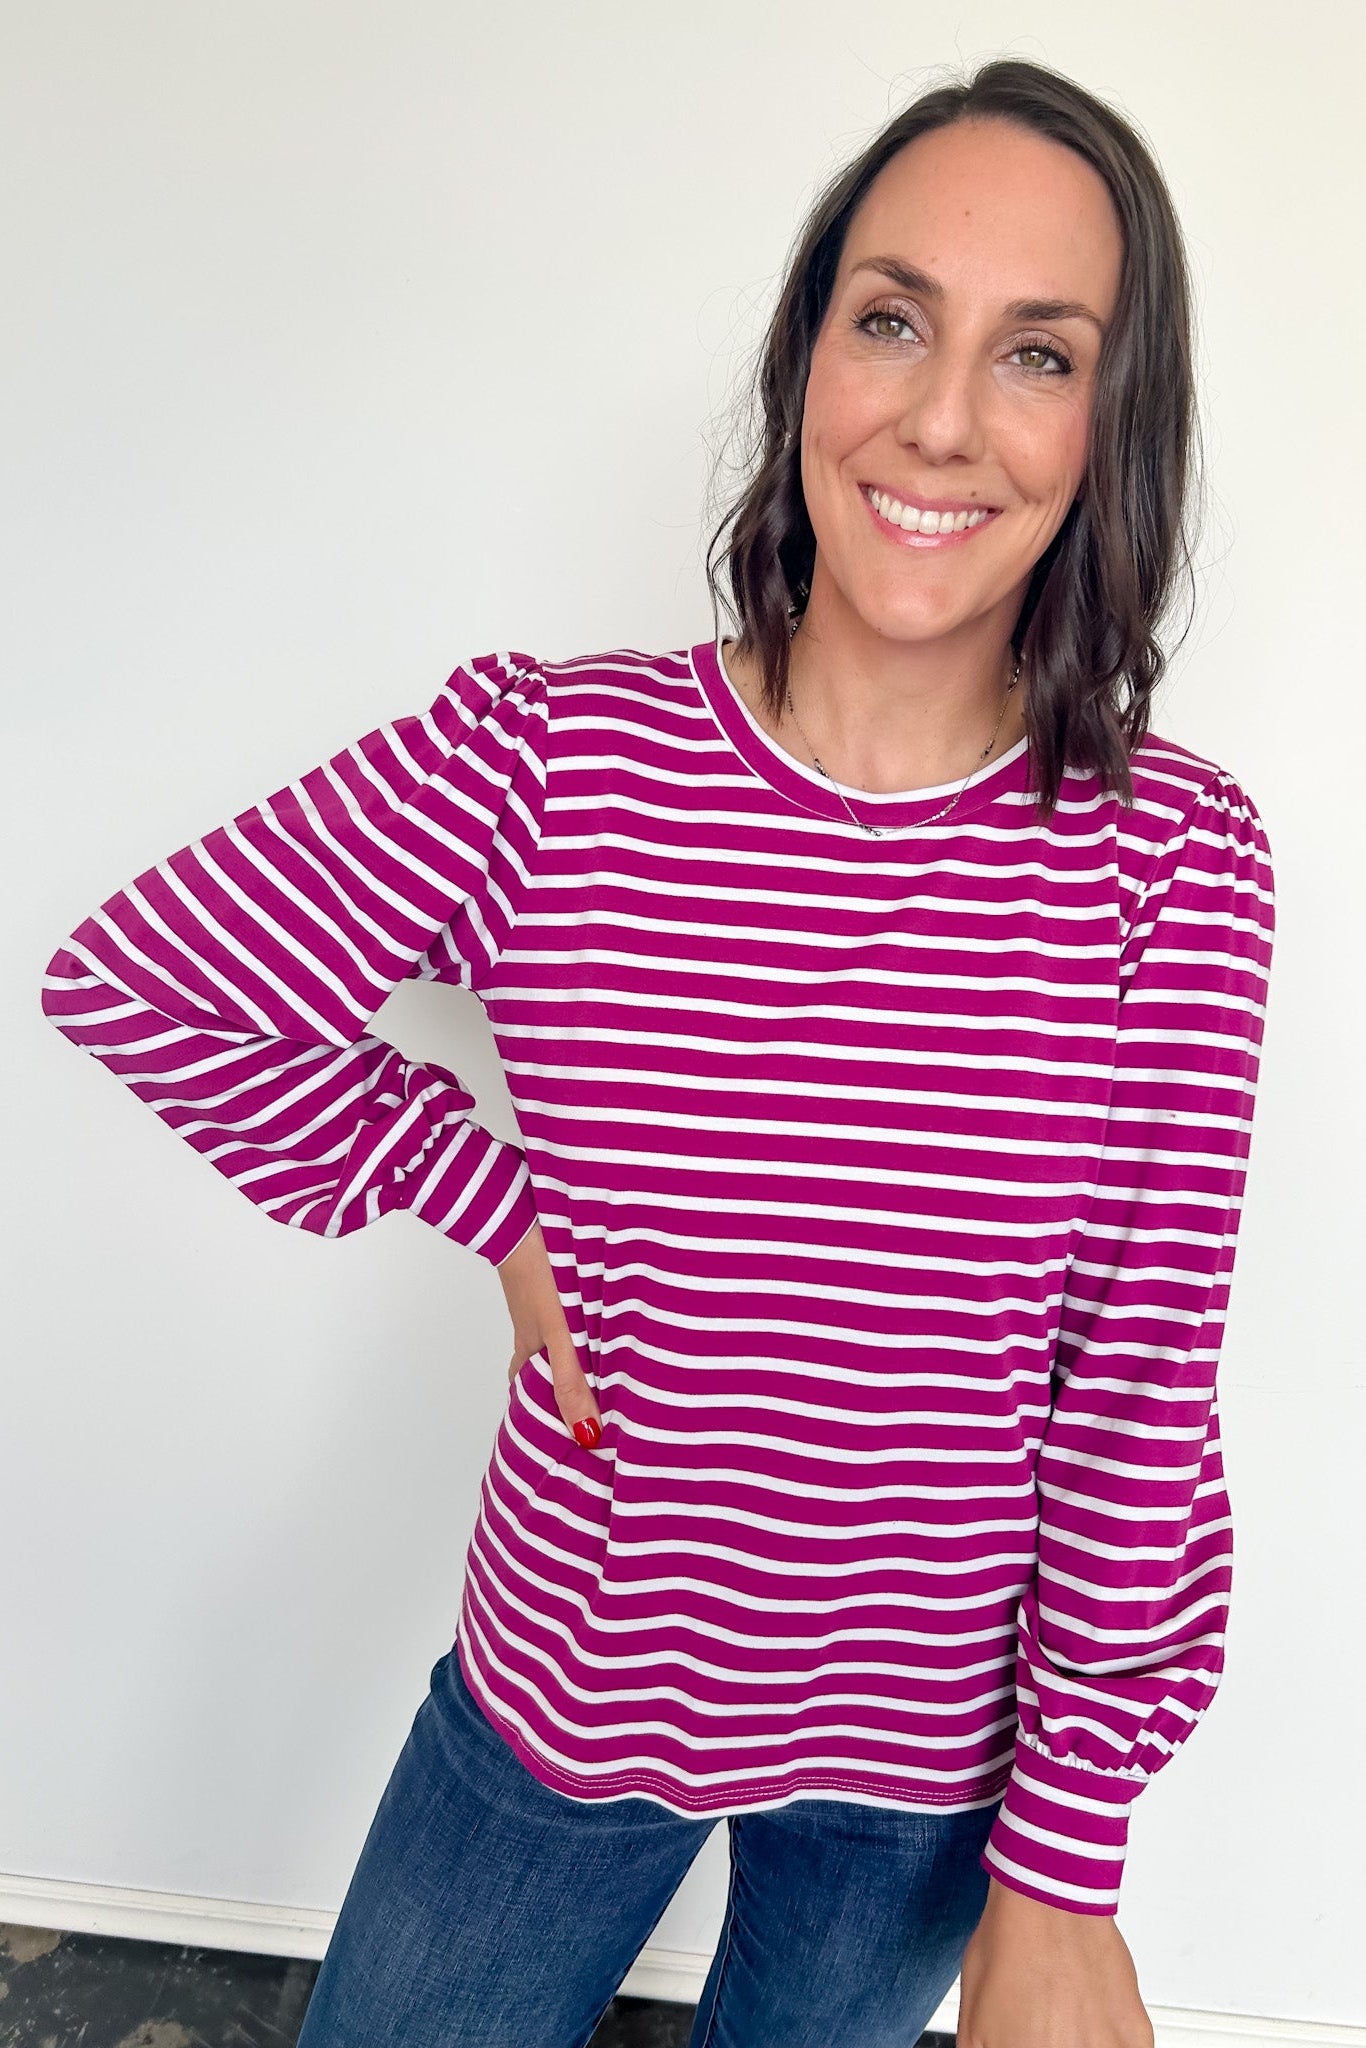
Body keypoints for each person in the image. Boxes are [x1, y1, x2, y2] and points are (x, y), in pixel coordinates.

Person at [42, 54, 1275, 2048]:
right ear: (806, 358)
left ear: (1107, 426)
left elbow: (1135, 1394)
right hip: (572, 1675)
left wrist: (1061, 1869)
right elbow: (144, 978)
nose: (941, 418)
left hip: (927, 1759)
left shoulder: (1173, 863)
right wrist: (491, 1198)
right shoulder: (544, 760)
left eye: (1038, 356)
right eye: (892, 320)